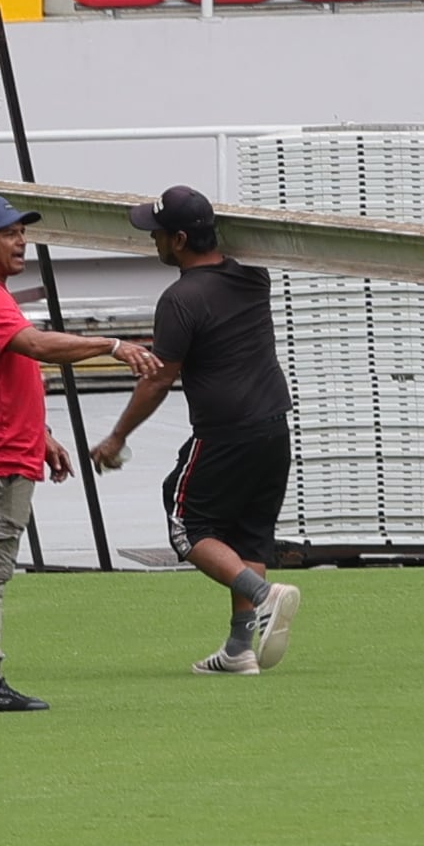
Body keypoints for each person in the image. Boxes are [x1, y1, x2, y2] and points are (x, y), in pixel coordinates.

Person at [0, 192, 156, 713]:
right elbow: (36, 346)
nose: (21, 241)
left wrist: (41, 437)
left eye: (22, 232)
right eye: (9, 233)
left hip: (5, 453)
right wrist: (111, 345)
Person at [90, 185, 303, 677]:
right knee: (249, 537)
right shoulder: (254, 278)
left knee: (188, 528)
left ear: (180, 239)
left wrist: (118, 436)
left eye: (158, 233)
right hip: (274, 428)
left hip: (224, 433)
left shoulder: (180, 299)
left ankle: (264, 595)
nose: (153, 240)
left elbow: (158, 378)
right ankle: (239, 649)